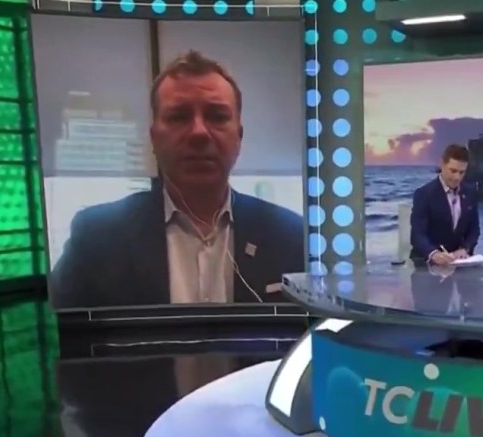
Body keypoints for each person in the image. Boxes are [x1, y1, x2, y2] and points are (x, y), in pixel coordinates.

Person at [50, 50, 305, 309]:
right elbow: (57, 340)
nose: (198, 133)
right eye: (179, 117)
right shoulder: (96, 237)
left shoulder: (291, 236)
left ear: (238, 136)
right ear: (154, 137)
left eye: (217, 116)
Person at [409, 144, 481, 265]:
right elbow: (417, 234)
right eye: (453, 171)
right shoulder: (424, 194)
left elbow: (474, 230)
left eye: (462, 172)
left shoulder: (470, 193)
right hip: (427, 263)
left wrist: (465, 248)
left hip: (458, 262)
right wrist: (433, 254)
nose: (457, 177)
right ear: (442, 164)